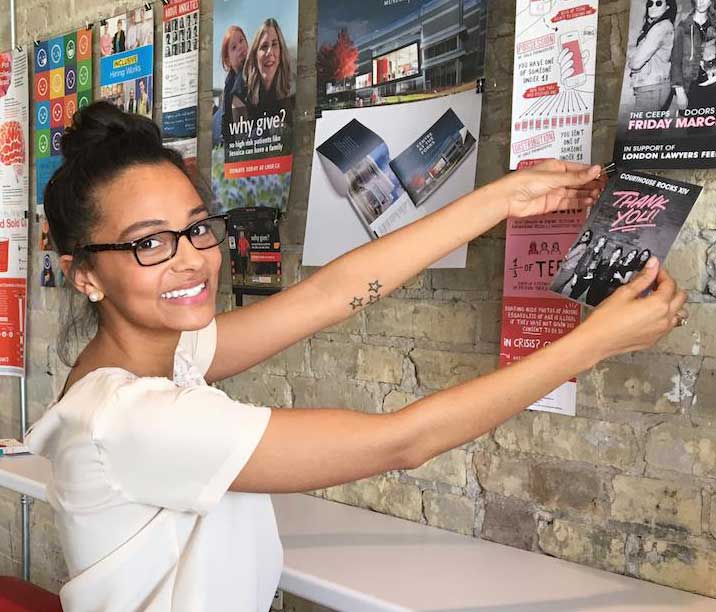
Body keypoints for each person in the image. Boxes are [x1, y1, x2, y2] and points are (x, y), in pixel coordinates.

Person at [27, 102, 687, 611]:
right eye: (149, 244)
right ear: (83, 273)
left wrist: (505, 198)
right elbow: (402, 442)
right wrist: (593, 343)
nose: (191, 259)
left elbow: (331, 294)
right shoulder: (134, 418)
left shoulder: (152, 356)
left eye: (198, 228)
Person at [239, 18, 293, 121]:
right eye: (264, 46)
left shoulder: (290, 91)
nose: (270, 52)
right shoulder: (242, 91)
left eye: (274, 44)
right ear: (255, 55)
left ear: (281, 51)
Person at [628, 0, 677, 112]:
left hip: (651, 87)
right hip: (655, 85)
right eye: (650, 3)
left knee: (640, 129)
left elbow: (635, 63)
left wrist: (630, 61)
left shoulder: (660, 27)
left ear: (668, 7)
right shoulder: (663, 26)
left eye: (658, 3)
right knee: (651, 128)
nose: (653, 6)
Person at [671, 0, 716, 112]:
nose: (700, 2)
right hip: (693, 88)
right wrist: (680, 92)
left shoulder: (714, 24)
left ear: (711, 2)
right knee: (695, 128)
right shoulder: (683, 27)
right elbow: (676, 61)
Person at [216, 25, 249, 144]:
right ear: (228, 60)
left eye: (241, 40)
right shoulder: (229, 82)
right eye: (234, 47)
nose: (240, 47)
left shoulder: (253, 69)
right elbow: (225, 121)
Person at [554, 229, 592, 293]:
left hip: (568, 269)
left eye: (586, 236)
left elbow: (568, 256)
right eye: (583, 234)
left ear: (588, 239)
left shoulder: (581, 246)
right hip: (568, 268)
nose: (583, 236)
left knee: (554, 287)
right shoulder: (582, 245)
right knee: (558, 289)